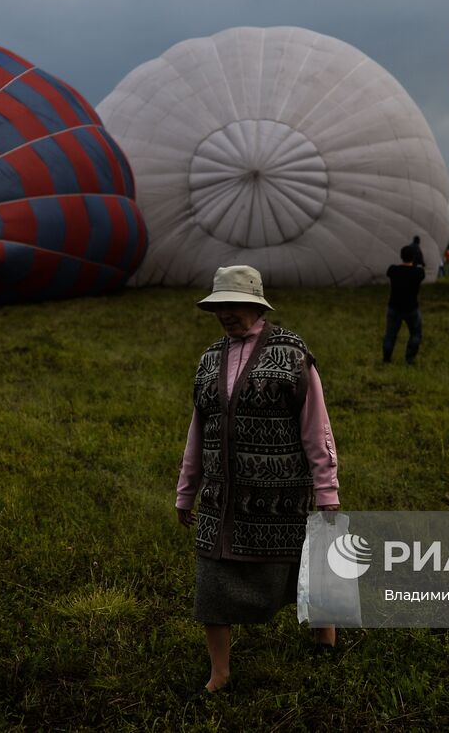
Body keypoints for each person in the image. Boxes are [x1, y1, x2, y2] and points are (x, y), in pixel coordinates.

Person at [175, 264, 340, 695]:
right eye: (219, 307)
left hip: (280, 495)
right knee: (211, 582)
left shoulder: (290, 354)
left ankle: (325, 633)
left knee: (306, 565)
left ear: (255, 305)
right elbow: (200, 427)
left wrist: (327, 490)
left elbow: (315, 426)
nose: (226, 314)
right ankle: (220, 673)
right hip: (221, 495)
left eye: (235, 305)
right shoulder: (210, 358)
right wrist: (186, 490)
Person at [383, 246, 425, 364]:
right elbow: (420, 272)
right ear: (414, 257)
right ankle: (410, 359)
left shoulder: (393, 270)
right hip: (411, 308)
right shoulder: (418, 272)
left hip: (394, 307)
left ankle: (386, 359)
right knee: (416, 334)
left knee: (390, 335)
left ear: (401, 256)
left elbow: (390, 273)